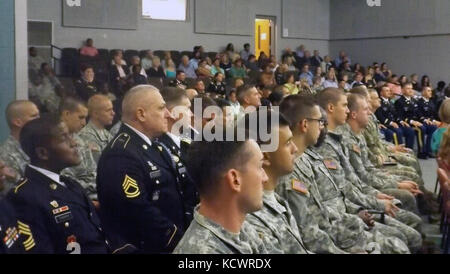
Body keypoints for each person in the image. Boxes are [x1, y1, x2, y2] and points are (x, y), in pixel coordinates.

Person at [279, 95, 411, 254]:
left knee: (400, 240)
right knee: (399, 245)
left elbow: (330, 201)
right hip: (334, 236)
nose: (322, 128)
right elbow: (310, 234)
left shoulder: (307, 159)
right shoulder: (291, 171)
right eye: (320, 122)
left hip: (342, 223)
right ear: (305, 124)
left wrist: (356, 214)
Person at [313, 89, 423, 252]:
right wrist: (374, 201)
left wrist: (375, 197)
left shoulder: (337, 139)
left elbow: (352, 181)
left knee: (408, 229)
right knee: (404, 237)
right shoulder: (326, 147)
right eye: (344, 106)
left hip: (356, 206)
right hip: (348, 217)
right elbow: (348, 188)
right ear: (330, 108)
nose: (348, 111)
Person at [97, 85, 188, 253]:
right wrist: (181, 241)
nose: (168, 115)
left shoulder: (154, 147)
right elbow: (138, 211)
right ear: (141, 114)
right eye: (161, 108)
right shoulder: (120, 154)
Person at [7, 115, 109, 254]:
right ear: (43, 153)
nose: (74, 143)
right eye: (64, 138)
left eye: (71, 136)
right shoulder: (25, 197)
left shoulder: (70, 184)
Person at [173, 131, 272, 254]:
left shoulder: (242, 228)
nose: (265, 178)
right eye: (259, 166)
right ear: (235, 180)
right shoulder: (202, 251)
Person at [241, 110, 310, 254]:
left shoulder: (276, 199)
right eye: (288, 143)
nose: (295, 149)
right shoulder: (251, 218)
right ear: (265, 156)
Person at [157, 87, 199, 223]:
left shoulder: (186, 141)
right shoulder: (160, 147)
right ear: (173, 113)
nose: (191, 114)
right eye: (187, 108)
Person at [0, 101, 40, 196]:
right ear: (18, 122)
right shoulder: (6, 155)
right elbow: (14, 195)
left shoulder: (38, 147)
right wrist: (17, 178)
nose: (39, 119)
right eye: (34, 116)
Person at [395, 82, 436, 159]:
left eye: (411, 88)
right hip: (406, 123)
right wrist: (412, 121)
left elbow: (418, 114)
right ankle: (421, 152)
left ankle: (428, 150)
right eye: (408, 88)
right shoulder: (399, 102)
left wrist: (424, 119)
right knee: (421, 129)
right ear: (403, 90)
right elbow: (399, 117)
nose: (411, 90)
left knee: (432, 127)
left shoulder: (414, 101)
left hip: (416, 122)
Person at [78, 95, 115, 163]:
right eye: (108, 110)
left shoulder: (106, 133)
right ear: (95, 114)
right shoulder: (87, 135)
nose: (113, 113)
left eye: (112, 109)